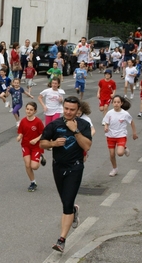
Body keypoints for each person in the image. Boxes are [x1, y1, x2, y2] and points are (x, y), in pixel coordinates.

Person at [40, 96, 92, 253]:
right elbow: (42, 142)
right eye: (66, 109)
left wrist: (75, 131)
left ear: (78, 111)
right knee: (65, 202)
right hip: (58, 167)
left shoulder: (83, 125)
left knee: (67, 203)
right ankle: (73, 210)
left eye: (72, 110)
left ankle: (61, 240)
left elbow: (87, 146)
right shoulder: (55, 124)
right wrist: (53, 143)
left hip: (75, 168)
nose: (68, 112)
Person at [103, 95, 138, 177]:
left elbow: (132, 122)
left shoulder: (125, 114)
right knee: (112, 154)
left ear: (121, 103)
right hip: (110, 136)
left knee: (120, 153)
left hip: (121, 135)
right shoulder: (109, 113)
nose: (116, 104)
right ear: (112, 103)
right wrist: (106, 128)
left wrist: (134, 133)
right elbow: (106, 122)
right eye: (114, 102)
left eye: (118, 102)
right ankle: (114, 169)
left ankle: (124, 148)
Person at [16, 102, 46, 192]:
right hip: (25, 145)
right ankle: (33, 182)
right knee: (27, 164)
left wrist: (36, 139)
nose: (28, 111)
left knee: (34, 166)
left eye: (31, 110)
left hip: (36, 146)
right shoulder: (23, 121)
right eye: (27, 109)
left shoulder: (38, 122)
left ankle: (40, 157)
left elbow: (43, 133)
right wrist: (19, 136)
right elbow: (21, 132)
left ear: (35, 111)